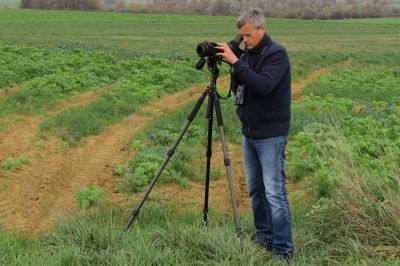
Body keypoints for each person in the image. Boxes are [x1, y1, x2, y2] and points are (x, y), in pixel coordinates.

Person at [216, 9, 294, 261]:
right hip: (249, 131)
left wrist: (236, 62)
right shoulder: (247, 54)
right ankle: (264, 238)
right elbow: (240, 85)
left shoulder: (277, 54)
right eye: (242, 36)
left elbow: (263, 85)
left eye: (248, 35)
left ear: (262, 29)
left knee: (274, 192)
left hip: (271, 133)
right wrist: (235, 61)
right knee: (255, 190)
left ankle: (283, 251)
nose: (245, 40)